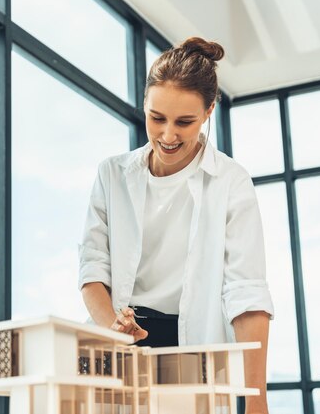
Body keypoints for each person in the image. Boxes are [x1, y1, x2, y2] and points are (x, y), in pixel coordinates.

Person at [79, 37, 273, 414]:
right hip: (117, 343)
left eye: (184, 122)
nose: (168, 136)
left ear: (209, 111)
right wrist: (115, 329)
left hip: (192, 347)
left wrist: (256, 400)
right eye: (157, 118)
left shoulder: (230, 181)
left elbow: (247, 295)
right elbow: (92, 270)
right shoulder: (112, 174)